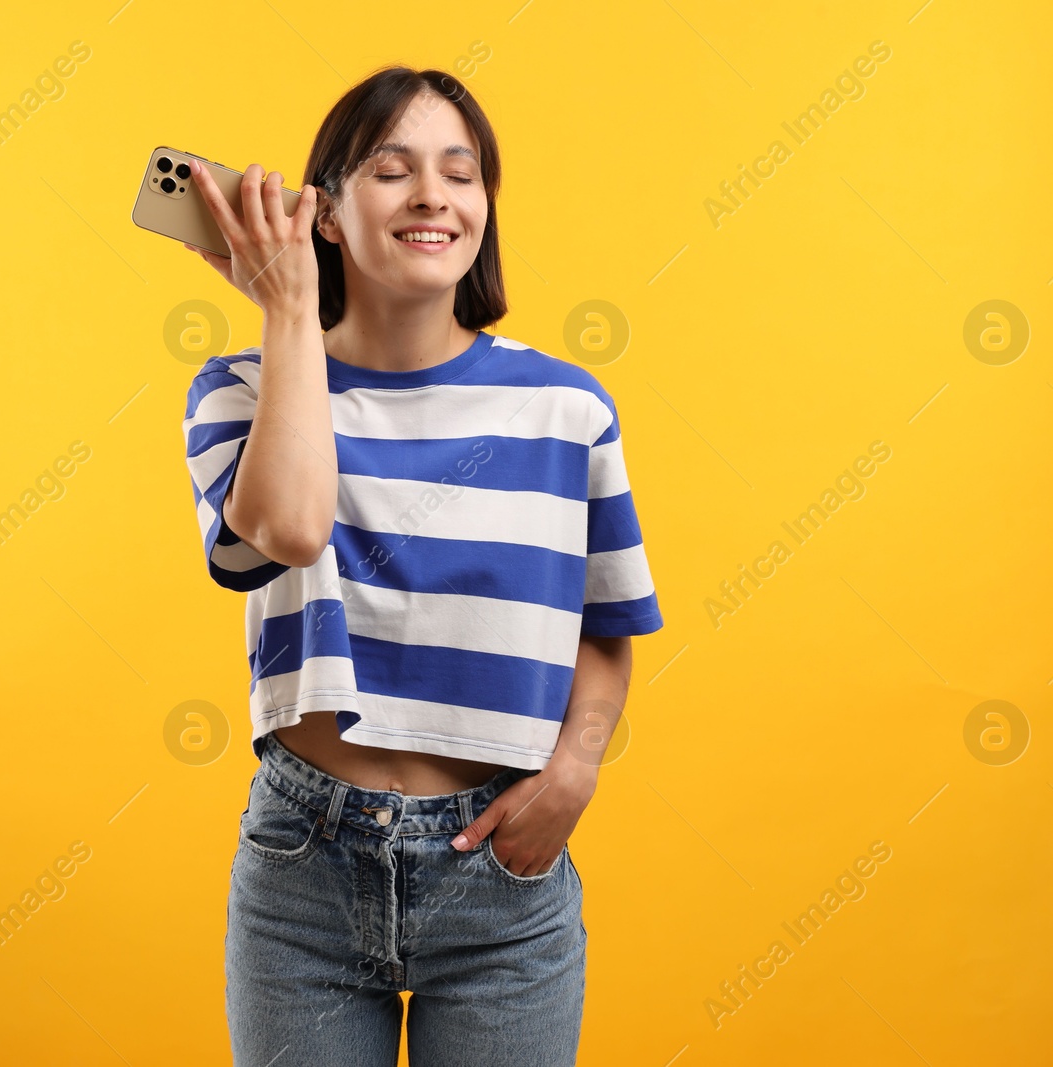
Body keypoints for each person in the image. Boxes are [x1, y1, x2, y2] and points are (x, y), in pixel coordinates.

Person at [179, 65, 663, 1066]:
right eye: (393, 170)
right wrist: (285, 313)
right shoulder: (241, 388)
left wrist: (573, 769)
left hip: (499, 869)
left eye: (461, 172)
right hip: (302, 864)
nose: (434, 196)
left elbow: (606, 625)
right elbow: (290, 525)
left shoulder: (566, 409)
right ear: (323, 212)